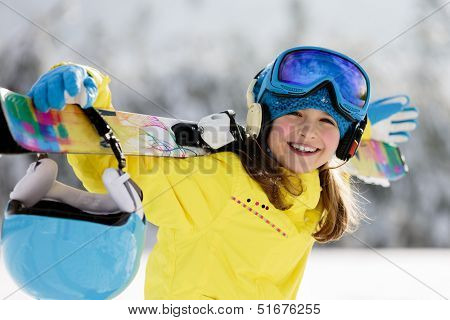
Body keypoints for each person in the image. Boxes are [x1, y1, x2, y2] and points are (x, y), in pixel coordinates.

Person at [27, 46, 380, 299]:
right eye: (294, 115)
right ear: (262, 117)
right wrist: (89, 95)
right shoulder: (221, 181)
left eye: (326, 122)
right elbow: (118, 169)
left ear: (346, 140)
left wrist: (376, 139)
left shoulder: (319, 188)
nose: (308, 132)